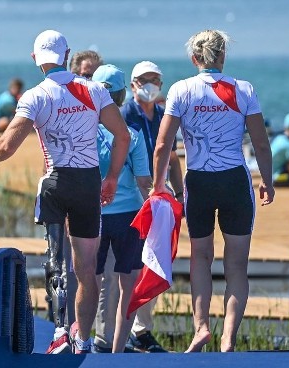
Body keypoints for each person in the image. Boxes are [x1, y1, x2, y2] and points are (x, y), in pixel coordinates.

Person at [0, 29, 131, 354]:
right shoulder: (94, 90)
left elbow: (7, 145)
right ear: (67, 55)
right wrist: (113, 178)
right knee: (87, 267)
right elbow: (123, 136)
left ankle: (60, 332)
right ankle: (84, 338)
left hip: (54, 184)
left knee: (55, 262)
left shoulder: (34, 96)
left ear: (36, 60)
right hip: (88, 183)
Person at [152, 29, 274, 353]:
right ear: (223, 56)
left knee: (200, 258)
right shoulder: (243, 89)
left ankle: (201, 327)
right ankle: (228, 339)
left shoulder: (181, 90)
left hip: (199, 182)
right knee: (236, 265)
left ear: (195, 59)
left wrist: (157, 186)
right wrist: (268, 181)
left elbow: (164, 144)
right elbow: (261, 143)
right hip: (235, 180)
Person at [119, 60, 183, 353]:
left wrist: (180, 195)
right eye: (145, 80)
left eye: (155, 80)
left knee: (157, 262)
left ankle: (141, 330)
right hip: (131, 199)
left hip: (160, 201)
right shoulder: (124, 114)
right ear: (133, 84)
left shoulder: (162, 114)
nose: (151, 85)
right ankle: (123, 332)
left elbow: (172, 157)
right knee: (132, 267)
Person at [89, 64, 152, 353]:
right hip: (129, 216)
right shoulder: (133, 134)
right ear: (122, 94)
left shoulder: (85, 133)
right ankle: (116, 351)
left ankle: (83, 342)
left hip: (93, 215)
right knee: (129, 285)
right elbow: (143, 181)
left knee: (91, 281)